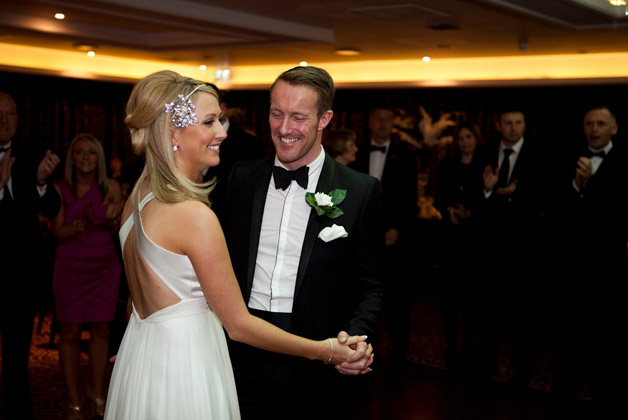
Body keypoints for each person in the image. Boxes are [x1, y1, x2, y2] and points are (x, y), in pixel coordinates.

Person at [104, 70, 370, 420]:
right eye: (210, 121)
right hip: (188, 367)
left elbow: (140, 296)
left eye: (221, 119)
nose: (222, 132)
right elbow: (238, 324)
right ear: (174, 133)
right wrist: (326, 351)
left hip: (145, 356)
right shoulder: (194, 216)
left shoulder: (137, 196)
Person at [218, 66, 384, 419]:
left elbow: (371, 285)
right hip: (241, 349)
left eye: (298, 117)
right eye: (276, 114)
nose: (283, 128)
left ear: (325, 119)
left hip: (318, 355)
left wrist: (353, 339)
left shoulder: (360, 191)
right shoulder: (241, 178)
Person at [551, 105, 628, 414]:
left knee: (606, 345)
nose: (593, 129)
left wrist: (591, 185)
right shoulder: (568, 158)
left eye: (600, 123)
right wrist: (576, 185)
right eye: (588, 124)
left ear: (614, 128)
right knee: (568, 343)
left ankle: (602, 400)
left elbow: (618, 210)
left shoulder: (625, 162)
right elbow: (558, 209)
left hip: (609, 268)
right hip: (572, 266)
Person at [51, 133, 124, 419]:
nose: (85, 158)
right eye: (79, 152)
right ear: (72, 158)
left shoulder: (113, 187)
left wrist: (116, 219)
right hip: (70, 268)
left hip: (104, 268)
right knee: (69, 333)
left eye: (91, 153)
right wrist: (81, 223)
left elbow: (119, 232)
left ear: (99, 159)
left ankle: (97, 394)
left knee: (102, 331)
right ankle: (74, 402)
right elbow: (58, 232)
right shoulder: (59, 189)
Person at [474, 107, 547, 388]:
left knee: (524, 314)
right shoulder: (485, 152)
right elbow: (474, 197)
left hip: (525, 249)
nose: (514, 127)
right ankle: (486, 365)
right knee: (487, 310)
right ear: (498, 124)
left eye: (518, 122)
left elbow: (546, 196)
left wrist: (518, 195)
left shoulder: (538, 154)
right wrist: (489, 190)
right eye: (508, 122)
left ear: (525, 124)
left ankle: (523, 371)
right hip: (490, 248)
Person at [0, 91, 61, 420]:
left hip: (19, 279)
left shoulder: (28, 156)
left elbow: (51, 208)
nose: (4, 120)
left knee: (16, 358)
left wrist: (40, 183)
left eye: (10, 113)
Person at [350, 105, 418, 365]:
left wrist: (397, 228)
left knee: (396, 295)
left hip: (393, 237)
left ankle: (400, 349)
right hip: (361, 236)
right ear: (370, 122)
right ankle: (368, 345)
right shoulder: (357, 151)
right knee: (363, 291)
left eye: (387, 120)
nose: (382, 123)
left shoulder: (406, 155)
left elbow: (410, 198)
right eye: (378, 118)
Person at [433, 120, 483, 369]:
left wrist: (470, 213)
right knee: (449, 298)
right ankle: (451, 346)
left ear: (476, 138)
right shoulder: (447, 164)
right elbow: (437, 195)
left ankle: (470, 347)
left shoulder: (486, 165)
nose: (464, 142)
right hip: (450, 239)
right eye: (461, 138)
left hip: (475, 242)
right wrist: (449, 209)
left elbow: (488, 201)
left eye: (468, 137)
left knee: (473, 300)